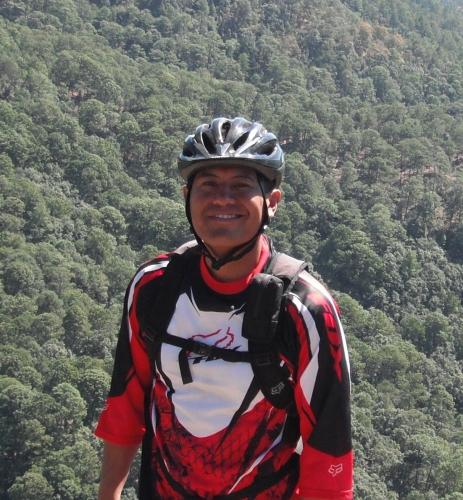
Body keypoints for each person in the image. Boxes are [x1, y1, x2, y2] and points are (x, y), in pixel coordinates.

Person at [95, 117, 353, 499]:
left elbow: (328, 454)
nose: (222, 199)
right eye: (209, 185)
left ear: (272, 203)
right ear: (187, 197)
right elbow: (125, 408)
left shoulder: (305, 310)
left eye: (241, 186)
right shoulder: (154, 287)